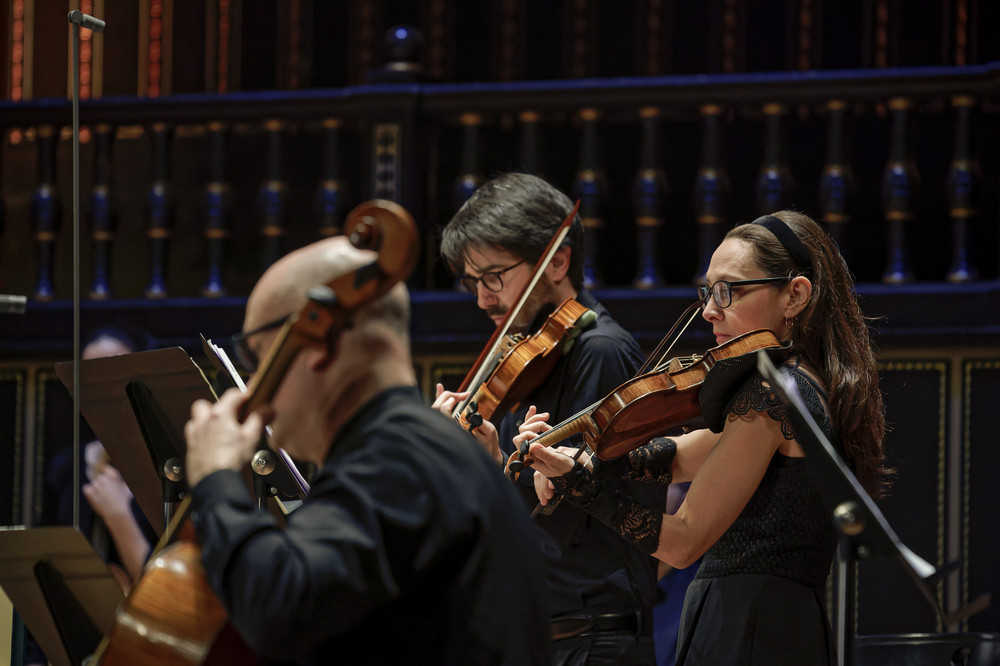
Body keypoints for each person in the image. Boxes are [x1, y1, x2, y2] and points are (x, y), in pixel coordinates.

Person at [520, 211, 888, 665]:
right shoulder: (807, 388)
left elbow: (683, 541)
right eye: (708, 291)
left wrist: (584, 488)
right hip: (781, 623)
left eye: (727, 291)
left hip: (747, 627)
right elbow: (675, 457)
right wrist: (579, 457)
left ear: (795, 295)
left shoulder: (771, 394)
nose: (709, 309)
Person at [182, 235, 550, 664]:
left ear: (319, 346)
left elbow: (281, 608)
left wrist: (215, 478)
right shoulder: (417, 447)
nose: (255, 385)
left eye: (258, 354)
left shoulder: (397, 458)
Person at [433, 173, 659, 664]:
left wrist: (489, 470)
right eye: (473, 282)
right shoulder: (529, 360)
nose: (482, 298)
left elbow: (571, 519)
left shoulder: (600, 352)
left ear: (556, 261)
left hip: (591, 639)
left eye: (494, 277)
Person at [27, 329, 157, 666]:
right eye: (88, 378)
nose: (100, 389)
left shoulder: (172, 469)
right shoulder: (65, 467)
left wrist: (117, 516)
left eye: (113, 372)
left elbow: (171, 596)